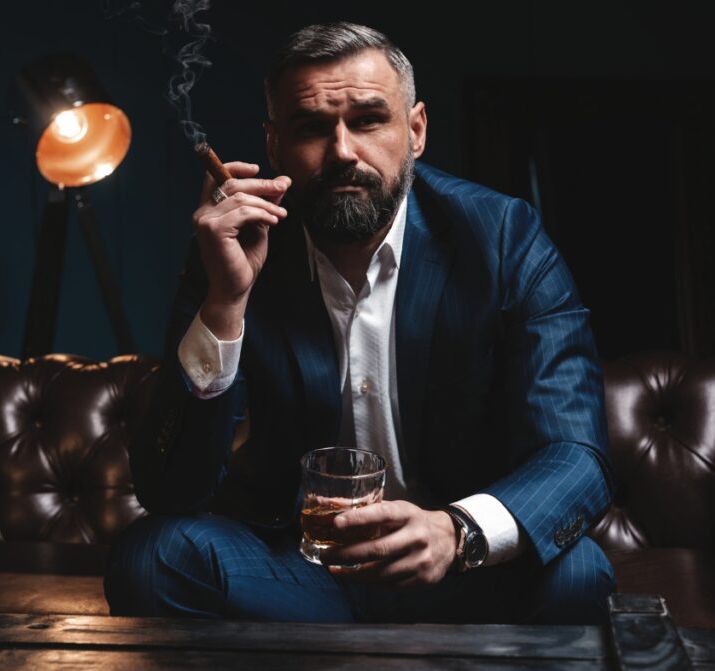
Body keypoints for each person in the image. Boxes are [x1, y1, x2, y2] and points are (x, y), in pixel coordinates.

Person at [105, 21, 616, 624]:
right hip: (295, 577)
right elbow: (170, 491)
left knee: (580, 573)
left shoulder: (504, 238)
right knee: (151, 559)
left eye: (370, 120)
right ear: (275, 144)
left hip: (460, 572)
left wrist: (458, 533)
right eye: (313, 127)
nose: (343, 151)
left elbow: (577, 452)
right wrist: (225, 303)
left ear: (416, 130)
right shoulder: (233, 251)